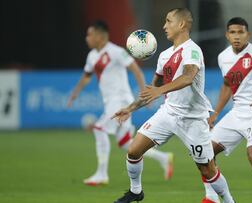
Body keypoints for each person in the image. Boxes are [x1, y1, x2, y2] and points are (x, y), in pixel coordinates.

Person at [112, 8, 236, 203]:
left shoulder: (192, 50)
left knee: (208, 169)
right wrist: (130, 108)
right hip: (168, 113)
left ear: (182, 24)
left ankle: (229, 200)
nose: (164, 26)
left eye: (168, 21)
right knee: (134, 150)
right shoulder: (164, 55)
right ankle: (136, 191)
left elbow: (188, 77)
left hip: (193, 119)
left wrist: (159, 91)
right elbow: (153, 89)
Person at [67, 20, 173, 186]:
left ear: (100, 36)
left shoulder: (116, 52)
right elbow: (87, 76)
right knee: (126, 143)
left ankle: (101, 174)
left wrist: (144, 93)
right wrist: (75, 93)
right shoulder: (92, 56)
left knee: (99, 128)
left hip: (120, 100)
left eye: (90, 34)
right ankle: (163, 158)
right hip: (110, 101)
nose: (87, 38)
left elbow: (135, 69)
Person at [201, 17, 252, 203]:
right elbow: (226, 85)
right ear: (227, 35)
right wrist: (215, 113)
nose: (237, 36)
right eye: (233, 32)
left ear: (248, 34)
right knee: (205, 152)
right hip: (237, 113)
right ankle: (212, 198)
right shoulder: (223, 57)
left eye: (241, 32)